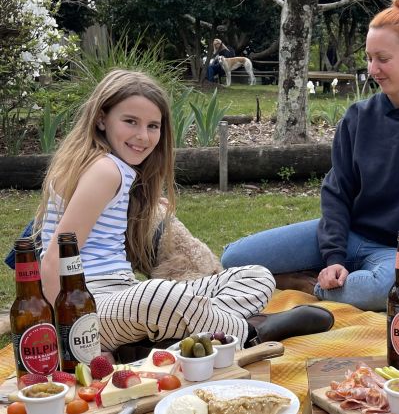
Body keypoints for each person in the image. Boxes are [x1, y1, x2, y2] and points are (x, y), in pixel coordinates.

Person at [34, 69, 333, 354]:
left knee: (256, 276)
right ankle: (250, 332)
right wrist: (64, 334)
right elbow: (54, 259)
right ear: (101, 119)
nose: (143, 136)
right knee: (159, 297)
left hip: (124, 295)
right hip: (89, 305)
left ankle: (170, 337)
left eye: (153, 126)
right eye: (130, 121)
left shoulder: (110, 166)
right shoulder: (104, 169)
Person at [221, 0, 399, 311]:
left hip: (395, 253)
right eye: (369, 58)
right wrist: (334, 257)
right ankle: (331, 277)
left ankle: (307, 285)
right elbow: (338, 191)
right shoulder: (358, 116)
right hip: (345, 235)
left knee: (394, 286)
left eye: (383, 59)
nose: (372, 69)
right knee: (234, 259)